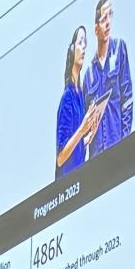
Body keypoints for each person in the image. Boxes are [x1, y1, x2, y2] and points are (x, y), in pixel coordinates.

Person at [83, 0, 133, 154]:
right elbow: (85, 124)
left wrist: (124, 143)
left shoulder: (119, 49)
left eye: (110, 15)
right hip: (97, 154)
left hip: (116, 146)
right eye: (103, 19)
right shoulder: (89, 75)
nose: (108, 22)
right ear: (96, 29)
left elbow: (127, 100)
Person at [54, 27, 100, 173]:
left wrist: (89, 136)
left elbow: (75, 150)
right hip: (67, 182)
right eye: (80, 42)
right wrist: (82, 130)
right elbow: (61, 158)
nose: (84, 47)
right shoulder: (67, 97)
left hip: (79, 177)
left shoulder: (80, 96)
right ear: (72, 49)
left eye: (85, 43)